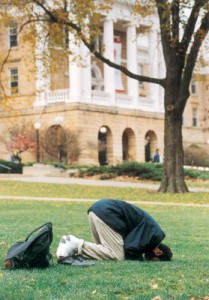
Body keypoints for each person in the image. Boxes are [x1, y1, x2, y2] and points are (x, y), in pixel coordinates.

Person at [56, 199, 173, 262]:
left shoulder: (153, 232)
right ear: (158, 252)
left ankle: (71, 251)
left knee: (102, 251)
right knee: (117, 256)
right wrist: (138, 258)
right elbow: (129, 248)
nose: (148, 260)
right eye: (154, 261)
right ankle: (73, 243)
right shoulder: (153, 236)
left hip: (99, 210)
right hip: (108, 213)